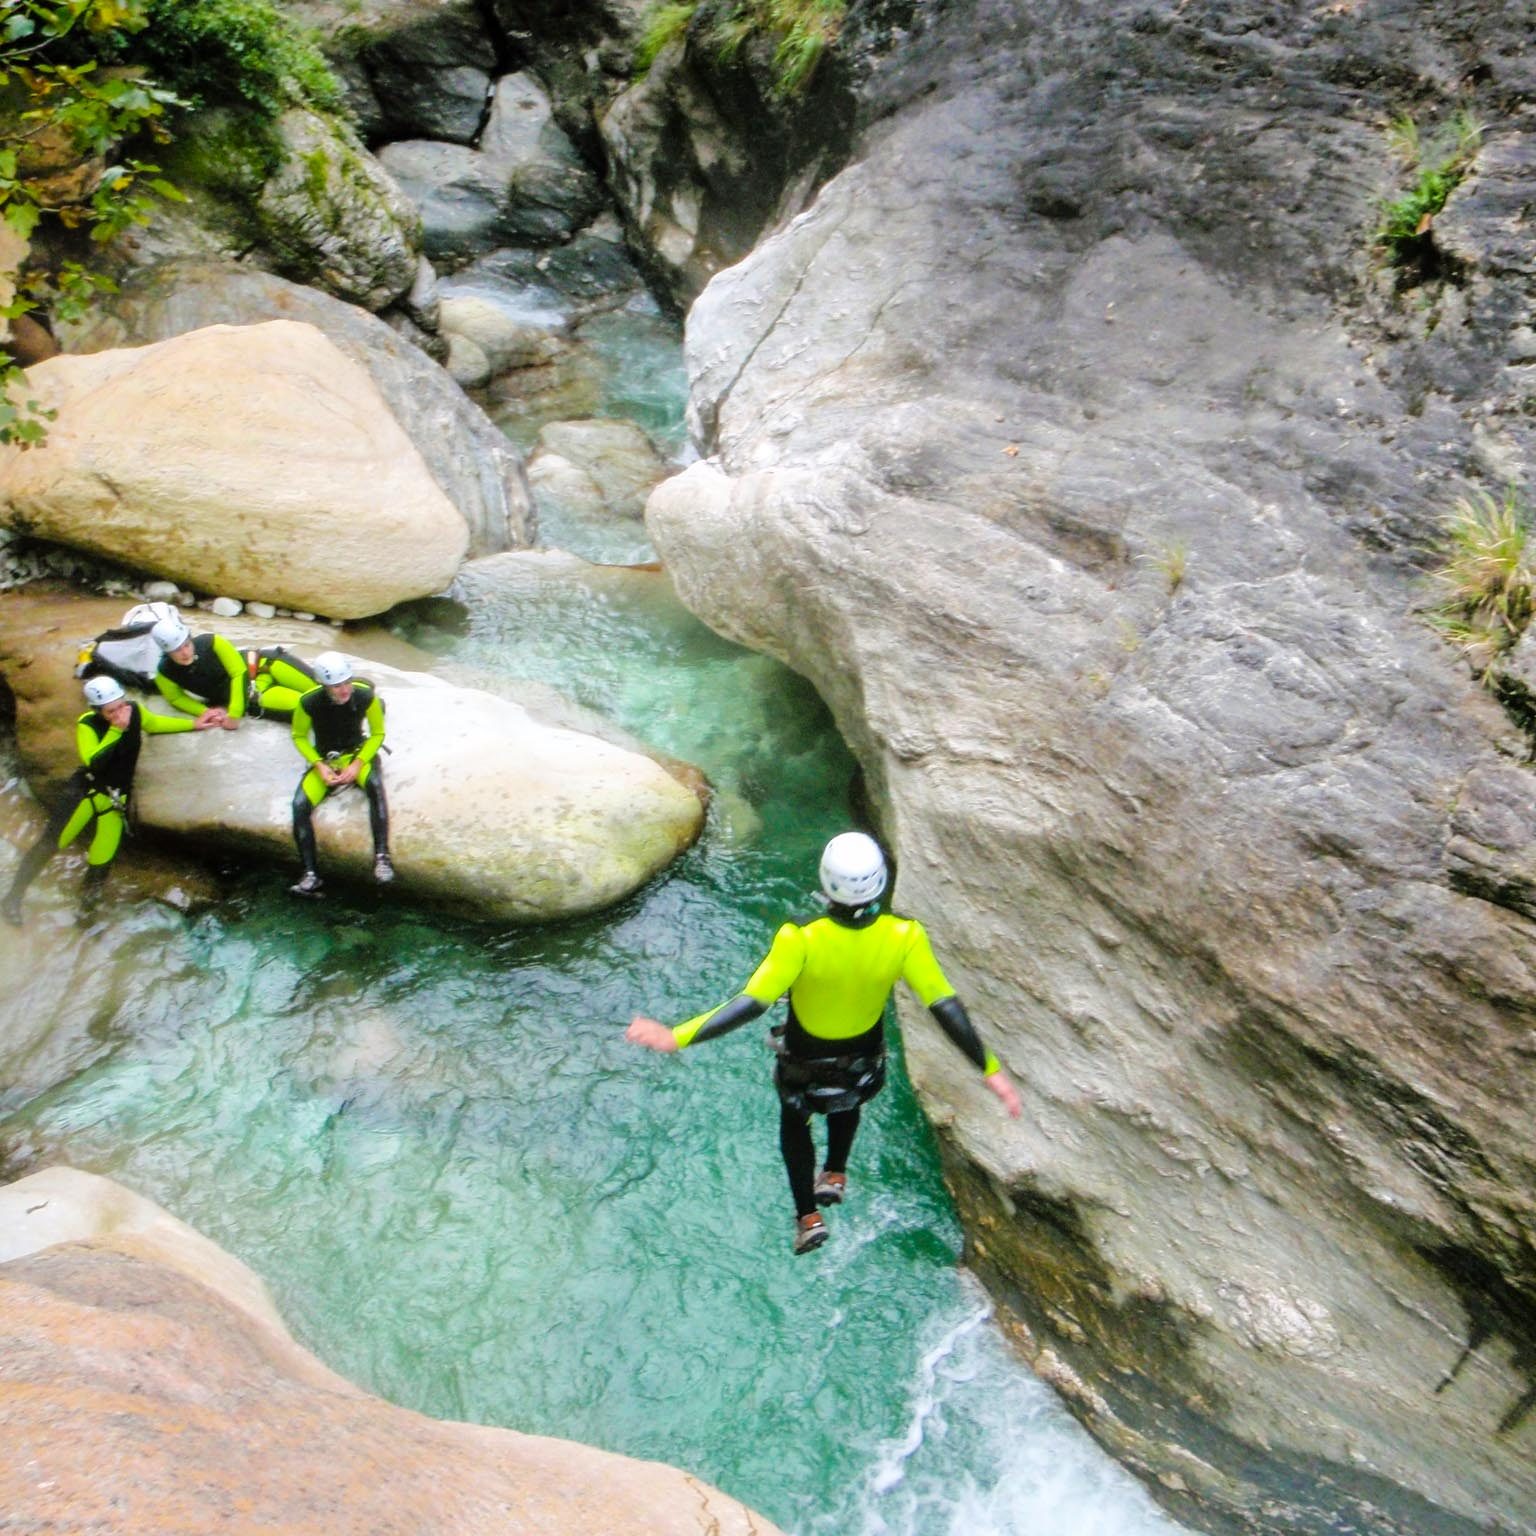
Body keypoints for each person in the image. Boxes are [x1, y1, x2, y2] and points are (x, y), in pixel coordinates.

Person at [627, 831, 1021, 1254]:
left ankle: (808, 1218)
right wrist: (990, 1068)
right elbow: (945, 1006)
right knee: (847, 1100)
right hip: (862, 1066)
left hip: (804, 1068)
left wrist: (677, 1036)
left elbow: (751, 1003)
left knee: (795, 1124)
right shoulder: (906, 937)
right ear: (881, 881)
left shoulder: (799, 940)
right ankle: (835, 1173)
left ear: (826, 882)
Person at [1, 675, 208, 926]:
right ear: (98, 710)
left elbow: (154, 723)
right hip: (86, 793)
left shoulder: (133, 712)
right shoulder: (87, 724)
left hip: (115, 799)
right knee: (52, 843)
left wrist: (195, 723)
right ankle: (13, 898)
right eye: (111, 711)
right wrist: (115, 730)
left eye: (121, 705)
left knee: (103, 856)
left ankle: (86, 909)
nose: (120, 713)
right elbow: (94, 761)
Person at [288, 651, 393, 897]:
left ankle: (382, 857)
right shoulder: (308, 702)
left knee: (375, 786)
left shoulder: (365, 696)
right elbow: (299, 736)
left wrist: (357, 764)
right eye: (336, 686)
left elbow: (378, 734)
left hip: (356, 754)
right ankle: (311, 874)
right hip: (326, 759)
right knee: (299, 805)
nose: (345, 690)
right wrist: (318, 765)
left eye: (347, 682)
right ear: (325, 686)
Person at [150, 615, 246, 730]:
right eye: (177, 650)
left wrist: (235, 713)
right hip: (222, 698)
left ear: (191, 639)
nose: (185, 653)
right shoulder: (164, 672)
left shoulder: (213, 643)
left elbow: (239, 673)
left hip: (254, 673)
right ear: (167, 653)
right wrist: (206, 712)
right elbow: (176, 698)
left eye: (187, 645)